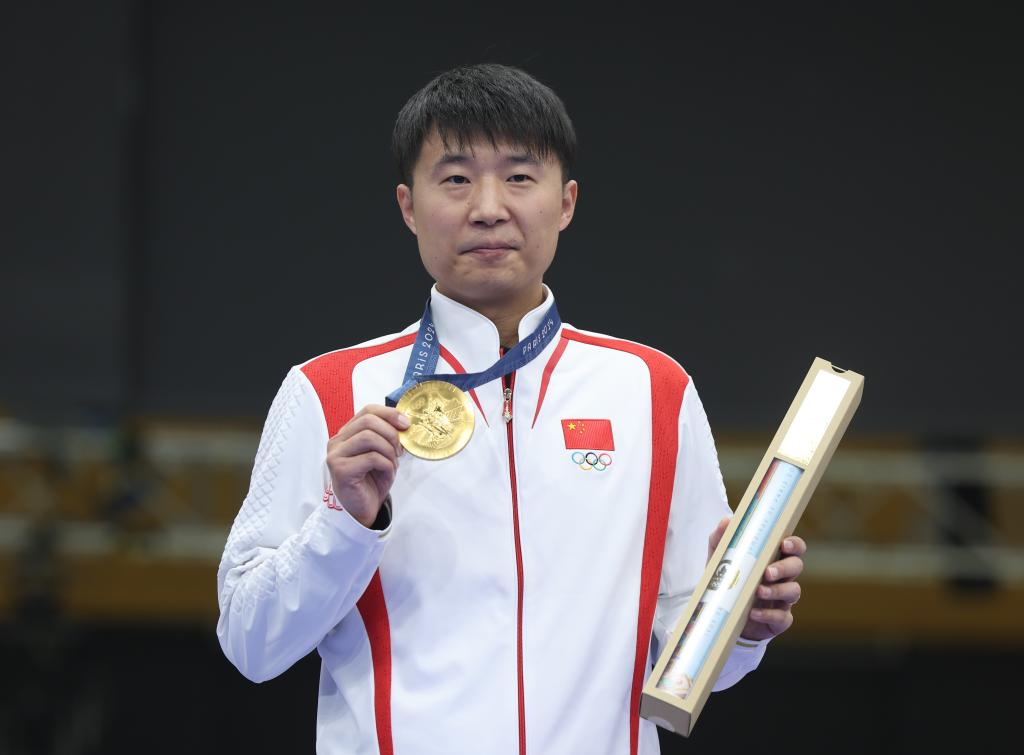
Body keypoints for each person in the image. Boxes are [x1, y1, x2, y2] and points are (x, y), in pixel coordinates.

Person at [216, 63, 806, 755]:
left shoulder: (653, 391)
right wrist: (344, 524)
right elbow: (250, 643)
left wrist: (739, 627)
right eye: (456, 179)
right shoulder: (330, 391)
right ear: (408, 206)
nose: (489, 207)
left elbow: (689, 665)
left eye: (520, 177)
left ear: (567, 202)